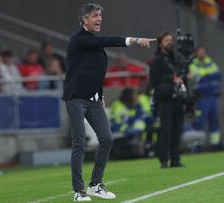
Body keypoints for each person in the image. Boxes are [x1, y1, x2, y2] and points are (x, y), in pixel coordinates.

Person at [62, 3, 155, 201]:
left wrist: (101, 94)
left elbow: (96, 72)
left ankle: (95, 184)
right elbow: (106, 41)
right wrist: (134, 40)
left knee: (107, 139)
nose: (99, 19)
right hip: (76, 98)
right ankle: (78, 191)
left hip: (94, 100)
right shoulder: (79, 38)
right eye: (95, 16)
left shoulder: (92, 43)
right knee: (79, 142)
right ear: (85, 19)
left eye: (100, 16)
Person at [149, 32, 186, 169]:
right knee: (166, 130)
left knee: (177, 130)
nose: (170, 42)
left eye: (171, 40)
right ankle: (164, 159)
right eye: (166, 40)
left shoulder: (173, 59)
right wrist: (171, 79)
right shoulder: (158, 60)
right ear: (160, 43)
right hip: (165, 99)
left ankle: (175, 158)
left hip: (177, 98)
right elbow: (154, 81)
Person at [188, 46, 222, 150]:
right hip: (201, 98)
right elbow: (196, 78)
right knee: (199, 121)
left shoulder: (210, 62)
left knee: (214, 121)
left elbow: (218, 75)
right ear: (196, 53)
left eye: (203, 52)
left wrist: (204, 78)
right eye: (200, 52)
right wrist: (208, 77)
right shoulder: (193, 64)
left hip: (212, 97)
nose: (202, 54)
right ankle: (197, 146)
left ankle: (215, 145)